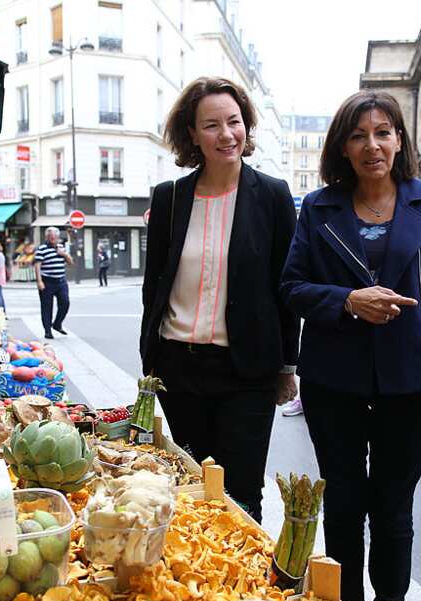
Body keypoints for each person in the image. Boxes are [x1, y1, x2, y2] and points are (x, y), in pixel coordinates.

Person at [280, 90, 421, 601]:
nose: (371, 145)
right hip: (334, 380)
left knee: (393, 509)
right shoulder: (318, 207)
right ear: (341, 147)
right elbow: (291, 287)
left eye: (382, 132)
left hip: (415, 380)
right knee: (342, 504)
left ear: (400, 140)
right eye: (357, 135)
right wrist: (348, 300)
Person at [140, 77, 300, 522]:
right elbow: (154, 286)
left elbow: (286, 288)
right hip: (179, 366)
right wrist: (149, 356)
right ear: (192, 134)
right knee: (191, 481)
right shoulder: (169, 198)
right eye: (211, 125)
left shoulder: (271, 195)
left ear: (246, 126)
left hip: (245, 371)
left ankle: (243, 585)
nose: (226, 134)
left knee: (241, 491)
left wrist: (288, 366)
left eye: (234, 122)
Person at [34, 226, 73, 339]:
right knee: (47, 307)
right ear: (47, 237)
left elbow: (71, 262)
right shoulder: (42, 249)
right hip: (47, 281)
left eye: (55, 237)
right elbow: (37, 266)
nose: (53, 239)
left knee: (65, 303)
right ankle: (47, 331)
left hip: (61, 281)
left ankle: (57, 324)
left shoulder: (61, 247)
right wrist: (39, 281)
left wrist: (64, 254)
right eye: (51, 237)